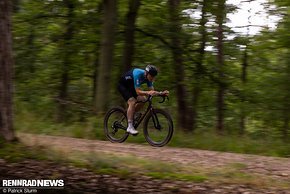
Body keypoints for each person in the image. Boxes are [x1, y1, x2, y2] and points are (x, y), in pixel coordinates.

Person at [118, 65, 169, 135]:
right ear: (146, 73)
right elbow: (138, 92)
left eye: (154, 77)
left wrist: (161, 93)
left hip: (131, 86)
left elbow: (152, 91)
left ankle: (131, 115)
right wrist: (148, 92)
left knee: (143, 99)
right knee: (132, 102)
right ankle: (130, 127)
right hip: (123, 85)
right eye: (152, 76)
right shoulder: (138, 74)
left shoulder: (149, 79)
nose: (153, 78)